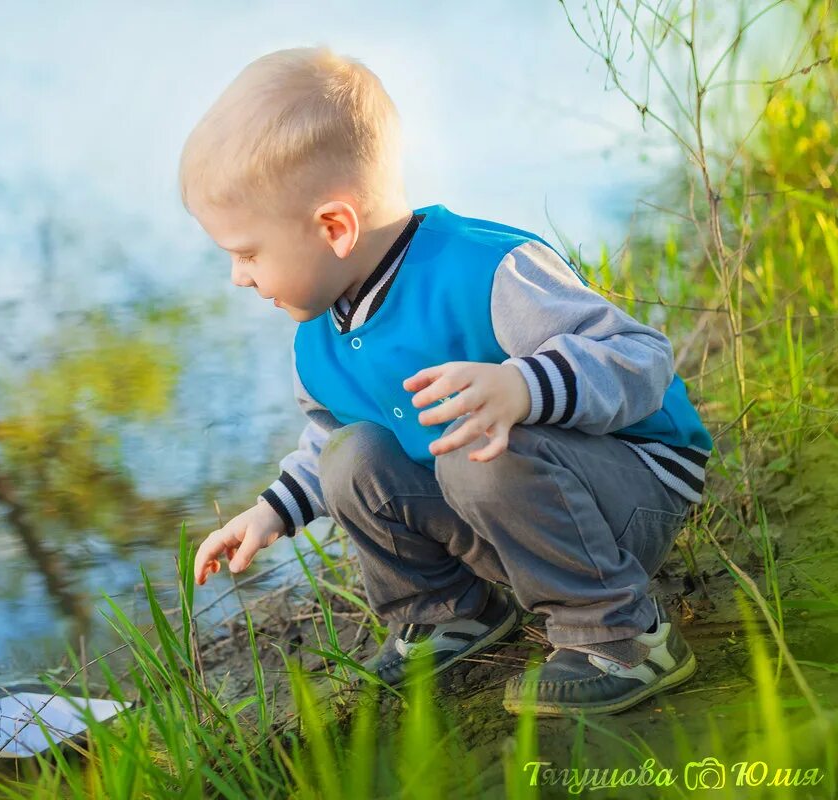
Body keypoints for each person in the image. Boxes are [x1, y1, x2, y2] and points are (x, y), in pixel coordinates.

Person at [180, 46, 711, 716]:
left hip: (634, 489)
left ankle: (621, 635)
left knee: (469, 449)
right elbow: (330, 440)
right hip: (521, 495)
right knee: (352, 455)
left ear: (334, 227)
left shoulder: (487, 272)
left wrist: (522, 387)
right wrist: (272, 511)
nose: (239, 276)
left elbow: (641, 358)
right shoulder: (318, 340)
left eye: (248, 253)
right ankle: (449, 611)